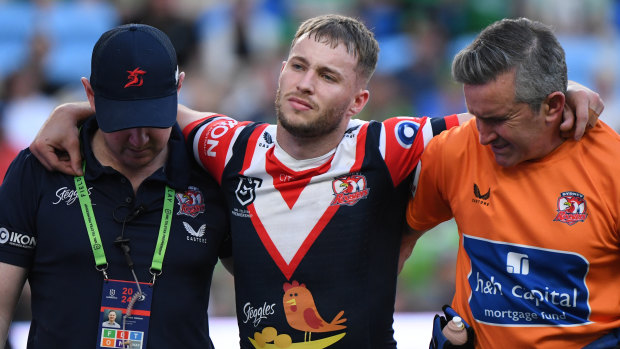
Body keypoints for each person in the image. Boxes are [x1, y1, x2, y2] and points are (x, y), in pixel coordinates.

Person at [28, 15, 601, 348]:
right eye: (297, 67)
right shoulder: (228, 145)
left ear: (358, 100)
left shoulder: (392, 146)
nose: (305, 84)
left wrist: (574, 94)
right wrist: (79, 112)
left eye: (328, 76)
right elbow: (161, 110)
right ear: (280, 73)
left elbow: (502, 115)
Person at [0, 24, 229, 348]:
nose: (138, 139)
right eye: (122, 121)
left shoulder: (211, 170)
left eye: (152, 119)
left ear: (179, 89)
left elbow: (263, 284)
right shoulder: (39, 168)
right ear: (91, 95)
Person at [404, 17, 620, 348]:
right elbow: (401, 237)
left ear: (552, 106)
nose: (483, 135)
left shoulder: (611, 169)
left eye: (498, 120)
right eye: (475, 116)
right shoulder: (453, 150)